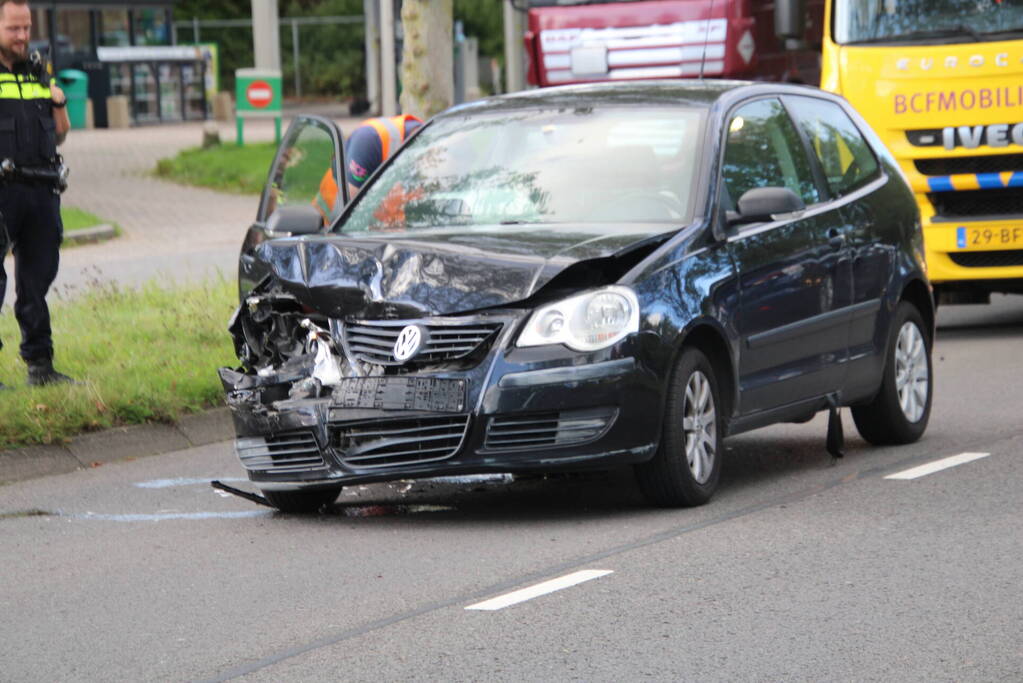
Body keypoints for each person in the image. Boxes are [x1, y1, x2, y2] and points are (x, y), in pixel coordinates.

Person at [0, 0, 74, 388]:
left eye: (26, 27)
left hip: (41, 188)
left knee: (37, 279)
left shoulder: (39, 69)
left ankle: (41, 366)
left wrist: (58, 100)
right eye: (13, 28)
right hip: (2, 191)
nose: (23, 36)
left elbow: (60, 132)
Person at [312, 114, 423, 224]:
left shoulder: (428, 135)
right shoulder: (369, 139)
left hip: (387, 228)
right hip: (328, 224)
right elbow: (351, 207)